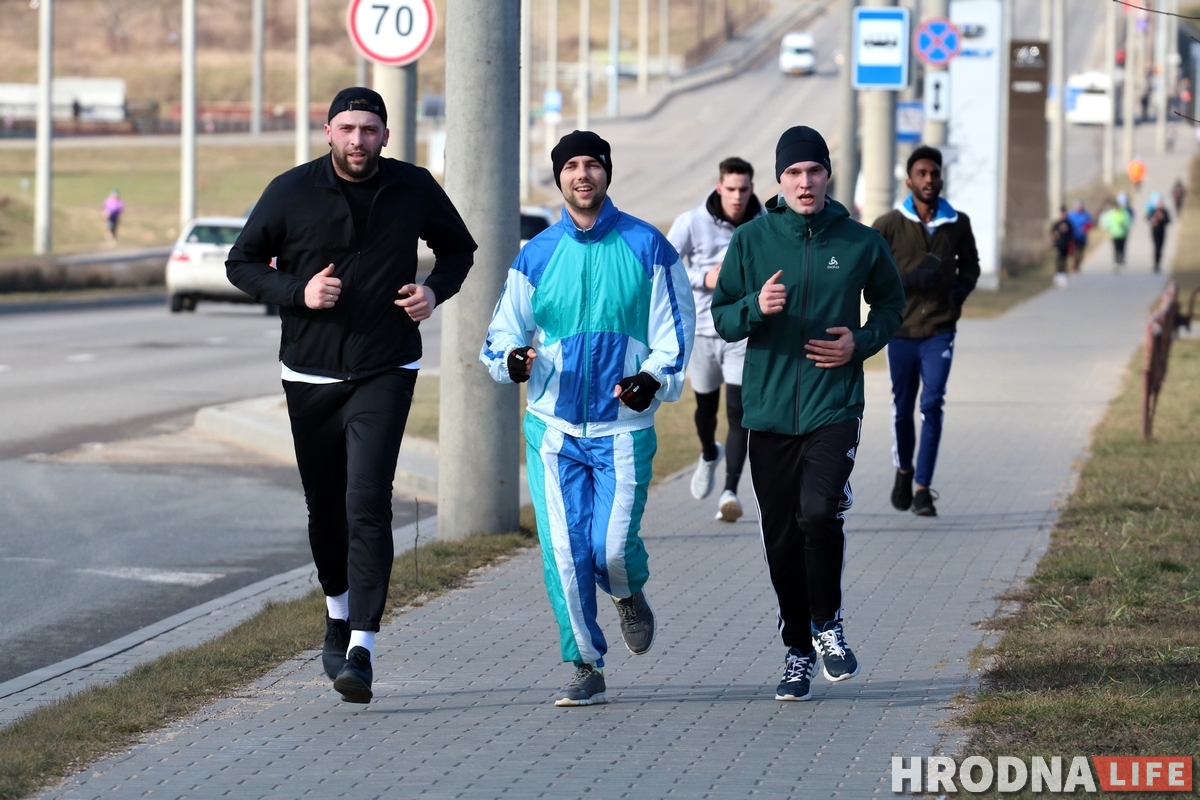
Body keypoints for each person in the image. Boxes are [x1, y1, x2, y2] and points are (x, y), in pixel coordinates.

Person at [226, 87, 477, 704]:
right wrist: (297, 293)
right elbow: (242, 262)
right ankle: (337, 610)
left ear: (386, 136)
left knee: (367, 500)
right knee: (326, 508)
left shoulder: (413, 185)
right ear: (328, 132)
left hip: (385, 366)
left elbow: (459, 249)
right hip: (309, 372)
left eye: (370, 129)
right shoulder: (290, 190)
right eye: (347, 128)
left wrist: (433, 293)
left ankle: (361, 646)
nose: (358, 139)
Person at [481, 130, 694, 707]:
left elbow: (673, 338)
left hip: (623, 430)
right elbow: (500, 337)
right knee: (565, 552)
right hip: (553, 430)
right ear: (559, 178)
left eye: (592, 165)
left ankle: (628, 592)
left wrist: (651, 379)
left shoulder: (648, 247)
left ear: (606, 174)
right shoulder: (537, 254)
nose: (582, 175)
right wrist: (514, 360)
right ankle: (584, 663)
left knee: (612, 550)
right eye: (571, 166)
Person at [711, 126, 904, 702]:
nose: (804, 182)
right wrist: (755, 306)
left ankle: (830, 627)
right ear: (780, 180)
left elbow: (892, 304)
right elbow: (722, 319)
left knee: (818, 514)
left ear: (827, 176)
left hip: (834, 404)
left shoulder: (862, 242)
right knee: (780, 539)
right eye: (793, 173)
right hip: (767, 412)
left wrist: (861, 344)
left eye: (813, 171)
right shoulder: (752, 240)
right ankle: (797, 649)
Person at [872, 145, 980, 519]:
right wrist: (907, 280)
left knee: (932, 404)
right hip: (899, 331)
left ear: (941, 178)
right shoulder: (887, 225)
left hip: (939, 329)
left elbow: (971, 266)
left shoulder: (958, 223)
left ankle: (922, 489)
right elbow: (871, 277)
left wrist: (958, 293)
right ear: (909, 180)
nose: (929, 180)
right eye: (922, 174)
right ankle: (904, 470)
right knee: (903, 408)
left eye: (934, 173)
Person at [667, 157, 764, 522]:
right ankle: (709, 452)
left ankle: (730, 492)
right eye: (731, 189)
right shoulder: (691, 222)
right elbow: (664, 262)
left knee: (739, 413)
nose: (737, 196)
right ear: (719, 186)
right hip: (703, 332)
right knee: (705, 412)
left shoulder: (763, 224)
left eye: (744, 189)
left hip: (742, 331)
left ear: (752, 189)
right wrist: (704, 278)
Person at [1099, 196, 1132, 272]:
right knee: (1116, 249)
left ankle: (1121, 260)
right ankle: (1116, 262)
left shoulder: (1124, 213)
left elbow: (1128, 221)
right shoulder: (1111, 214)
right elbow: (1106, 223)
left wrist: (1125, 227)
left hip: (1123, 233)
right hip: (1114, 234)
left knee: (1122, 248)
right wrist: (1108, 230)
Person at [1065, 200, 1093, 273]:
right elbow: (1066, 224)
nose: (1078, 207)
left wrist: (1085, 228)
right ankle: (1075, 265)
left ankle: (1077, 264)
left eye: (1080, 206)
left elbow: (1090, 224)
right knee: (1074, 253)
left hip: (1082, 237)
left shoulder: (1085, 214)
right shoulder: (1071, 215)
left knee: (1081, 253)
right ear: (1074, 206)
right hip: (1073, 237)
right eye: (1077, 206)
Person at [1050, 207, 1073, 289]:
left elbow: (1071, 234)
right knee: (1058, 260)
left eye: (1064, 214)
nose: (1062, 215)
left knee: (1064, 260)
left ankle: (1063, 275)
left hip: (1066, 245)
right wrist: (1055, 234)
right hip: (1058, 245)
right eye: (1061, 213)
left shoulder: (1069, 224)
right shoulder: (1056, 224)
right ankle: (1057, 275)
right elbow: (1052, 233)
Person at [1148, 196, 1172, 274]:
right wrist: (1153, 220)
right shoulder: (1153, 211)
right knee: (1156, 247)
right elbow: (1148, 218)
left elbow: (1168, 220)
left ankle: (1158, 264)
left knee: (1160, 248)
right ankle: (1155, 264)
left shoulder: (1165, 212)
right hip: (1155, 231)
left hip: (1162, 231)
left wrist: (1163, 218)